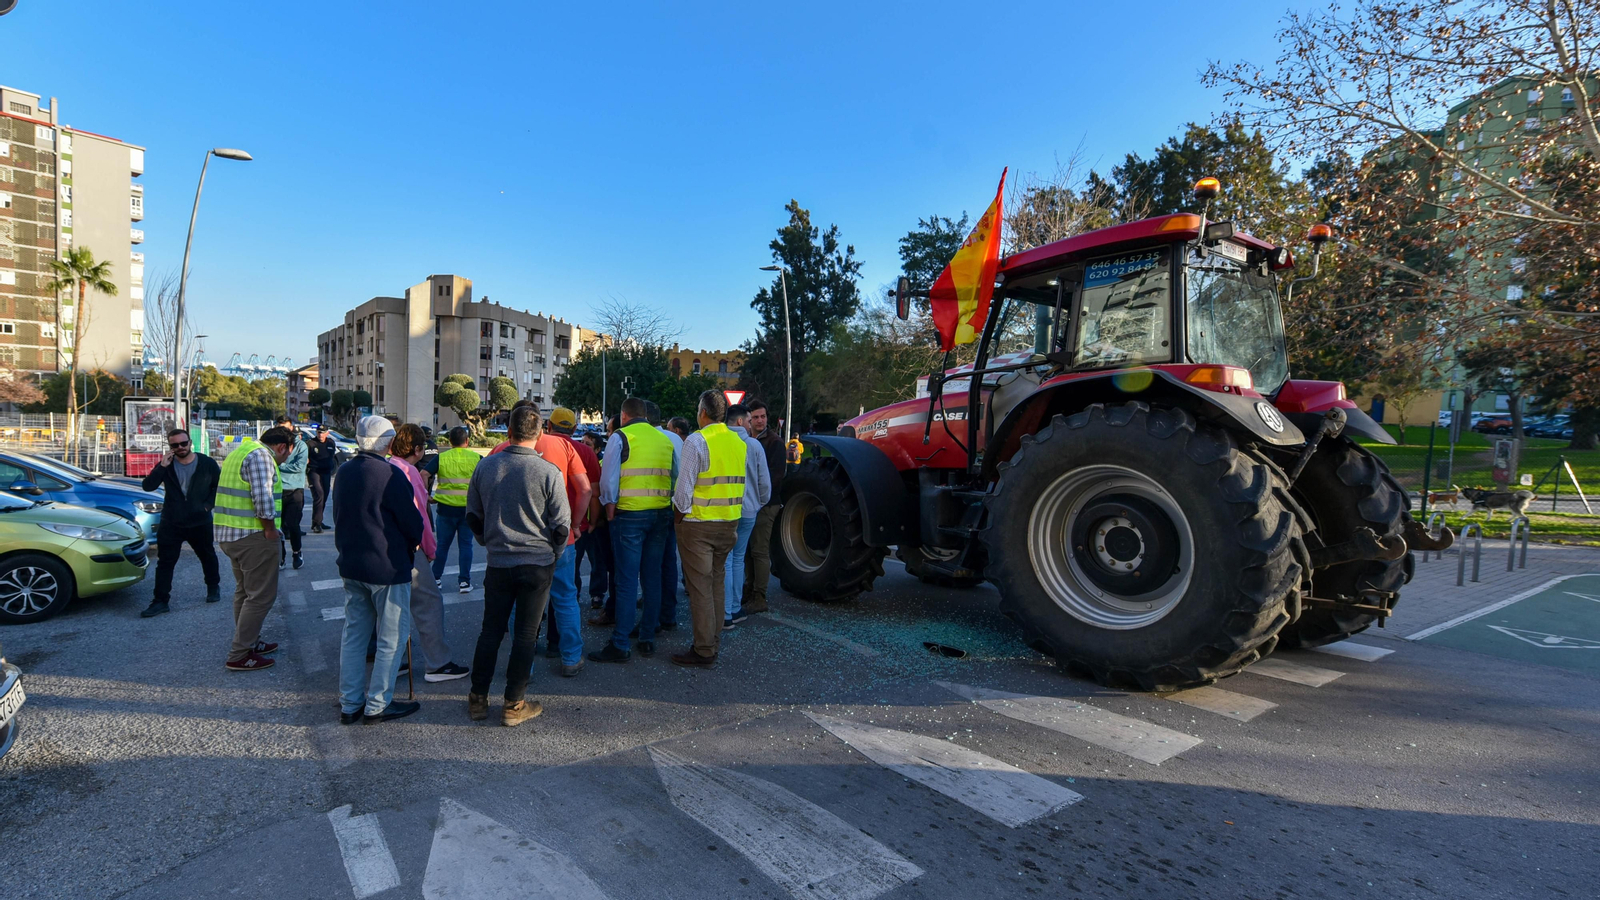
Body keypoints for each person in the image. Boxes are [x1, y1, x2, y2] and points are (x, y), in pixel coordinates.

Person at [465, 406, 569, 726]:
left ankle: (478, 700)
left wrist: (488, 542)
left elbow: (473, 515)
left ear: (507, 431)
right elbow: (561, 525)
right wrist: (555, 553)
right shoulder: (549, 471)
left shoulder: (486, 467)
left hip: (499, 563)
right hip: (537, 564)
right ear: (539, 434)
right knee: (526, 636)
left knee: (491, 632)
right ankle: (514, 705)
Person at [332, 416, 425, 724]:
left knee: (354, 635)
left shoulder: (343, 471)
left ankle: (350, 703)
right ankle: (378, 704)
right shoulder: (390, 474)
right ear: (387, 442)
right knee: (391, 637)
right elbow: (413, 523)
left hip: (352, 563)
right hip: (387, 566)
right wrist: (412, 545)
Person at [588, 397, 676, 662]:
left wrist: (609, 506)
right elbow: (676, 474)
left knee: (626, 581)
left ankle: (620, 644)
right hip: (660, 514)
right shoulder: (664, 438)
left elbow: (609, 478)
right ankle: (647, 637)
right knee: (652, 577)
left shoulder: (621, 437)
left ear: (624, 416)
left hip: (629, 515)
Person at [670, 390, 747, 668]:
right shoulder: (738, 442)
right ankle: (712, 641)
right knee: (716, 582)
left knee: (700, 588)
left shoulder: (697, 440)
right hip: (729, 522)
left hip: (698, 524)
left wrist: (677, 518)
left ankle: (704, 650)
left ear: (702, 412)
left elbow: (684, 490)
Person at [388, 424, 470, 683]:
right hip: (412, 548)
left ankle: (394, 659)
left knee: (392, 606)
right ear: (418, 449)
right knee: (428, 603)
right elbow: (420, 517)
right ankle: (438, 663)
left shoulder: (386, 465)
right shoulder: (409, 472)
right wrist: (429, 550)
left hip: (386, 549)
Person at [215, 426, 297, 672]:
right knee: (261, 597)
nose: (284, 460)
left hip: (230, 533)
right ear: (282, 446)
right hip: (253, 536)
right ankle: (240, 653)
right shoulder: (262, 457)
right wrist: (270, 530)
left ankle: (249, 642)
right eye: (286, 454)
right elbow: (263, 498)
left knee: (245, 592)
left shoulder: (240, 451)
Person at [530, 407, 593, 676]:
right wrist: (577, 525)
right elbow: (587, 489)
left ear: (549, 424)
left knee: (522, 603)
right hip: (562, 536)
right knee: (566, 597)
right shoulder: (571, 449)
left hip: (521, 539)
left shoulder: (502, 448)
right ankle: (570, 658)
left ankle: (523, 665)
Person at [139, 428, 222, 617]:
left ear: (190, 442)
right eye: (175, 445)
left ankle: (213, 587)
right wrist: (161, 466)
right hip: (172, 522)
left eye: (183, 443)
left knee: (207, 555)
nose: (180, 447)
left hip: (199, 521)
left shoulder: (206, 463)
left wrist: (207, 506)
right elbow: (148, 486)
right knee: (165, 563)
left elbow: (218, 487)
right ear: (170, 447)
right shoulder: (166, 465)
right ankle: (160, 601)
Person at [722, 404, 771, 627]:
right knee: (739, 558)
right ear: (741, 422)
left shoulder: (720, 443)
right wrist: (758, 503)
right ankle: (734, 608)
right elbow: (764, 482)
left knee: (727, 559)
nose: (752, 424)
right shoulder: (754, 445)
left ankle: (725, 610)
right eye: (750, 420)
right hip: (749, 509)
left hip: (725, 509)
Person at [741, 399, 786, 614]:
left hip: (766, 503)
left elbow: (775, 477)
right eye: (755, 417)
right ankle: (749, 589)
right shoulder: (746, 440)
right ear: (748, 420)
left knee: (759, 550)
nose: (760, 421)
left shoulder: (774, 442)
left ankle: (760, 596)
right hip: (751, 503)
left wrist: (758, 499)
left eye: (763, 416)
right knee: (749, 550)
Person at [431, 426, 480, 593]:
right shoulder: (477, 458)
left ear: (450, 441)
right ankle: (464, 582)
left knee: (442, 545)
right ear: (467, 441)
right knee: (466, 545)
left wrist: (426, 495)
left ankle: (436, 578)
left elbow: (424, 473)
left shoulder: (442, 458)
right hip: (468, 510)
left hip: (445, 509)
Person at [574, 430, 613, 611]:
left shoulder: (601, 465)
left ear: (597, 449)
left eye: (587, 444)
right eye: (581, 442)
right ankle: (574, 594)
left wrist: (596, 520)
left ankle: (597, 594)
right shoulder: (576, 464)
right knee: (574, 562)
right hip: (579, 524)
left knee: (598, 561)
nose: (582, 446)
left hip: (595, 523)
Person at [274, 416, 308, 569]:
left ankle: (297, 552)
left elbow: (299, 467)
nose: (284, 431)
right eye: (280, 428)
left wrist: (279, 466)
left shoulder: (301, 446)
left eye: (286, 428)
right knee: (278, 525)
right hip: (277, 489)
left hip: (295, 489)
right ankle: (281, 557)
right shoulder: (274, 445)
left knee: (293, 524)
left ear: (292, 428)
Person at [306, 424, 338, 533]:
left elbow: (331, 456)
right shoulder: (311, 443)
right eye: (319, 432)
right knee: (319, 495)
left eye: (323, 432)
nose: (321, 435)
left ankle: (319, 520)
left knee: (324, 496)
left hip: (326, 473)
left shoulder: (330, 443)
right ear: (316, 433)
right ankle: (316, 524)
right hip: (314, 472)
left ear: (327, 433)